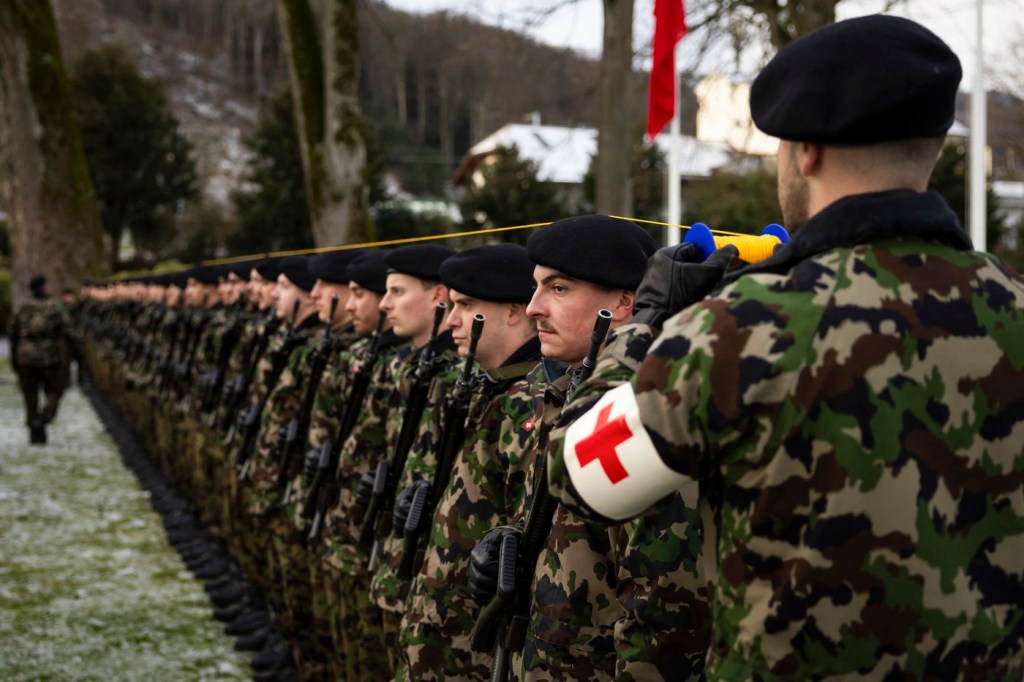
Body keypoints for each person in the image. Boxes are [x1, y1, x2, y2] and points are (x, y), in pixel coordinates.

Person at [547, 15, 1024, 680]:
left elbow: (580, 479)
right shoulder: (1013, 309)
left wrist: (645, 326)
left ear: (806, 152)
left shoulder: (743, 329)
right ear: (933, 150)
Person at [10, 274, 73, 444]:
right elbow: (68, 330)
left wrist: (15, 359)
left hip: (25, 357)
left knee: (30, 397)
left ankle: (35, 432)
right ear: (43, 287)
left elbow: (13, 334)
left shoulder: (22, 308)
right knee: (55, 391)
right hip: (49, 358)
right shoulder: (55, 307)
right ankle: (43, 418)